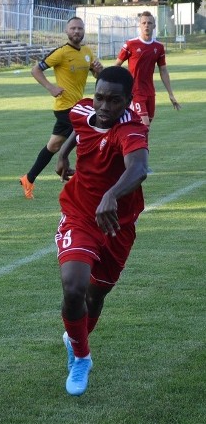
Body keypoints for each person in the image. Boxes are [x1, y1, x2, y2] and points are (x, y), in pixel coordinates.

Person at [53, 66, 149, 397]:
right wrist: (64, 154)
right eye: (101, 98)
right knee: (74, 286)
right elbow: (78, 129)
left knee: (96, 295)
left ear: (129, 101)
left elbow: (139, 168)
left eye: (114, 101)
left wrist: (111, 194)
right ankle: (81, 357)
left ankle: (76, 337)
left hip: (117, 225)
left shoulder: (132, 129)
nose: (105, 107)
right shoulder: (83, 108)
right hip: (79, 214)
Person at [18, 17, 102, 200]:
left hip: (78, 106)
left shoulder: (88, 52)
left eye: (80, 28)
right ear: (66, 31)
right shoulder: (61, 53)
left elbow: (98, 75)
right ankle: (69, 169)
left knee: (54, 145)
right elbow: (35, 70)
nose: (77, 31)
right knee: (86, 136)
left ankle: (28, 178)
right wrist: (51, 87)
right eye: (73, 28)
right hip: (65, 107)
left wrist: (99, 70)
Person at [114, 11, 180, 128]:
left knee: (145, 127)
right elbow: (116, 66)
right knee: (144, 125)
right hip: (135, 92)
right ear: (140, 25)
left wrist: (171, 94)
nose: (146, 25)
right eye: (143, 23)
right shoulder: (131, 44)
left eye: (149, 23)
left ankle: (135, 145)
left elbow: (163, 70)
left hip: (150, 92)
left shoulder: (158, 47)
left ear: (154, 26)